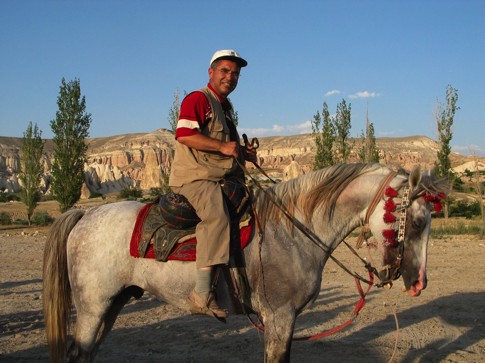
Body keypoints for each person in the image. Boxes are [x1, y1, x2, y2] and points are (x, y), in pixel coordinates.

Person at [169, 50, 256, 320]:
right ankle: (202, 294)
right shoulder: (198, 99)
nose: (230, 77)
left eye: (235, 73)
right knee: (217, 216)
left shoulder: (224, 107)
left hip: (221, 176)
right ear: (211, 72)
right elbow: (184, 135)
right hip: (196, 178)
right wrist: (222, 145)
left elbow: (224, 150)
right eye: (225, 71)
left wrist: (242, 152)